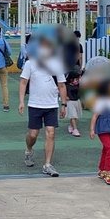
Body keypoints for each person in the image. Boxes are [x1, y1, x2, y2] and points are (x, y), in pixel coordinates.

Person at [18, 37, 67, 177]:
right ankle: (28, 149)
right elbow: (23, 83)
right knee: (33, 134)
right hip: (35, 104)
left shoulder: (57, 64)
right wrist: (21, 101)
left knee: (51, 132)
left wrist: (63, 104)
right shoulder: (30, 64)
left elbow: (62, 85)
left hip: (52, 104)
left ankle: (47, 164)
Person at [66, 69, 82, 137]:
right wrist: (65, 97)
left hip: (77, 101)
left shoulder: (78, 85)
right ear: (70, 79)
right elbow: (61, 91)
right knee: (73, 115)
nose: (76, 81)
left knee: (75, 116)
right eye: (75, 79)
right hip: (70, 102)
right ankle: (75, 129)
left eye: (77, 79)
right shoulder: (66, 85)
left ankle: (71, 126)